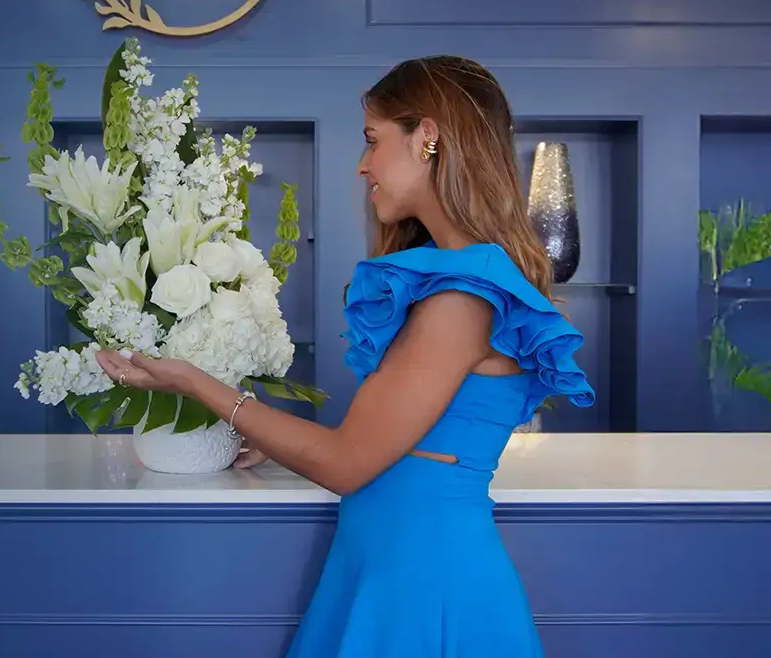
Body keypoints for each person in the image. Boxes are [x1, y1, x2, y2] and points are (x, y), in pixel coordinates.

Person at [96, 55, 594, 657]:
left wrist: (195, 383)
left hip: (420, 583)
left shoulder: (462, 300)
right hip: (400, 567)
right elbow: (395, 446)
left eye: (373, 140)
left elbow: (345, 463)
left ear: (427, 137)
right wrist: (278, 439)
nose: (363, 165)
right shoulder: (466, 286)